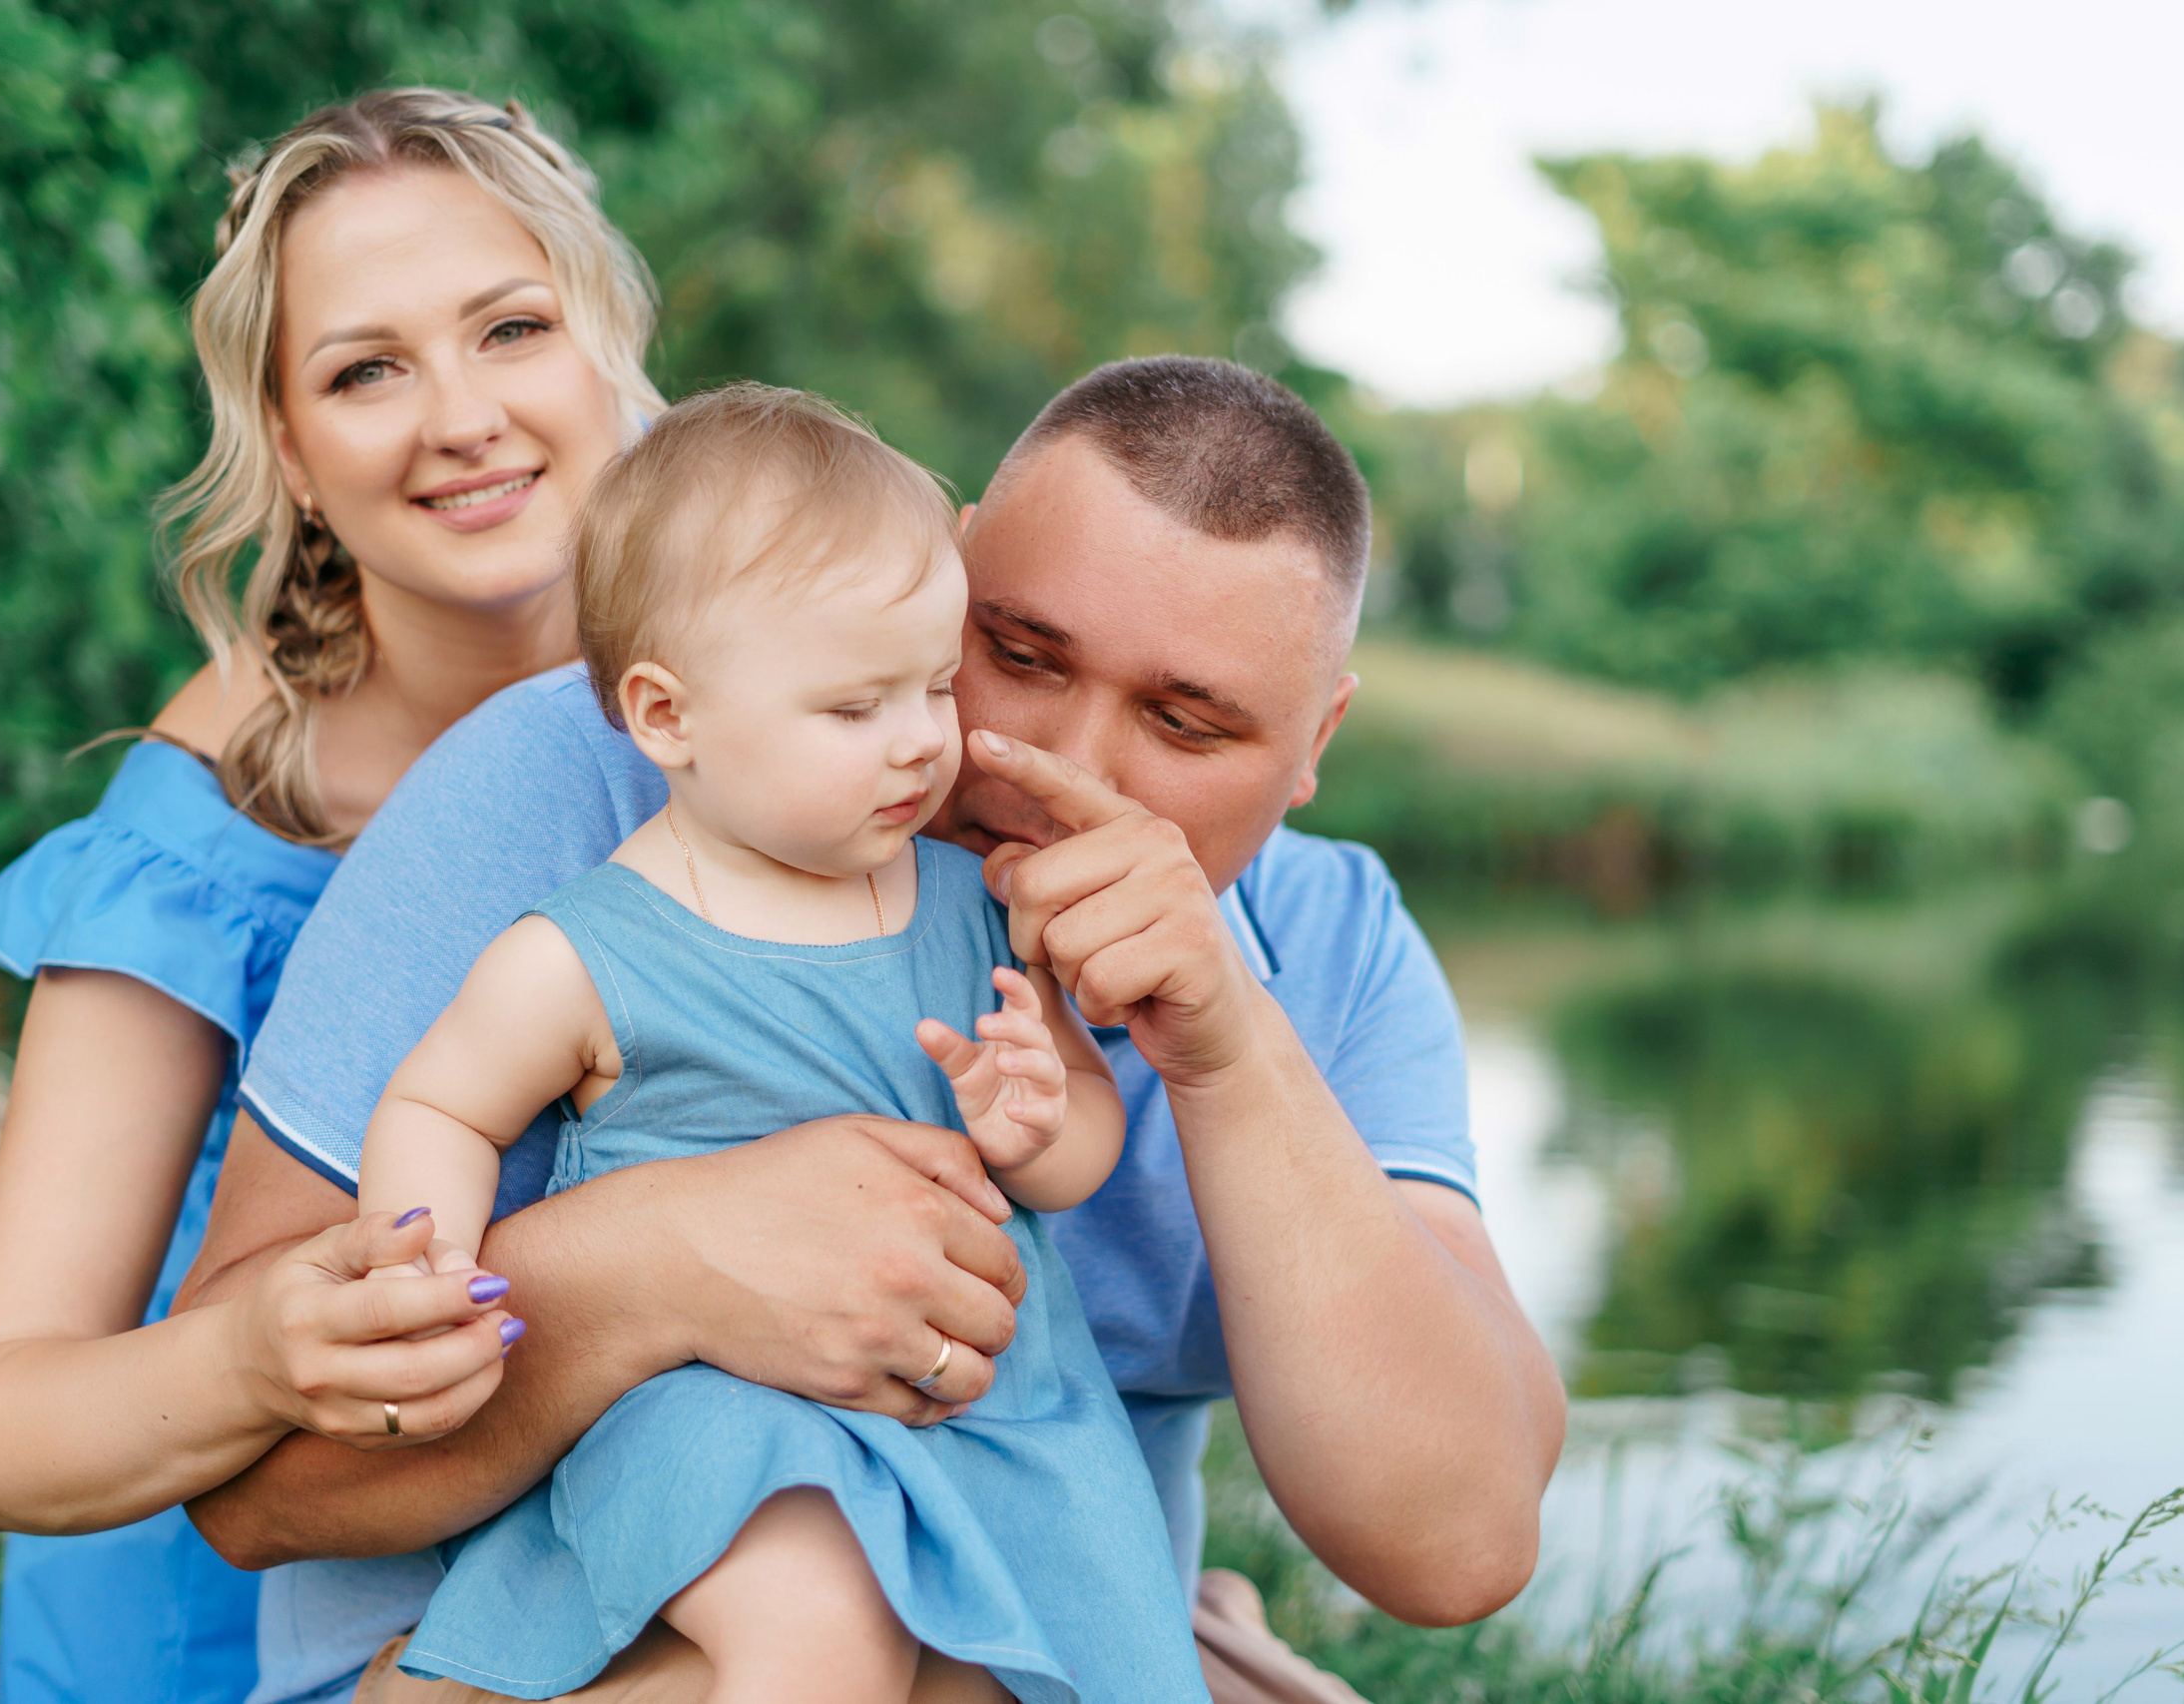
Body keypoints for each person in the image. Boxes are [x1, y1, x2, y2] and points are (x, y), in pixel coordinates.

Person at [180, 355, 1569, 1704]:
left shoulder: (1330, 946)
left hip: (1011, 1633)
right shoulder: (591, 781)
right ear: (944, 571)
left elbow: (1455, 1547)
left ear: (1316, 740)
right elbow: (243, 1479)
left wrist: (1228, 1056)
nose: (1060, 769)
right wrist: (651, 1265)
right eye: (1013, 655)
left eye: (1186, 725)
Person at [0, 87, 662, 1704]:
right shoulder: (217, 824)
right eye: (364, 371)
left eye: (513, 328)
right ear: (291, 456)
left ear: (611, 345)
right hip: (219, 1634)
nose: (461, 416)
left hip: (597, 1583)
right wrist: (252, 1356)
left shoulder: (786, 697)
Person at [360, 383, 1201, 1702]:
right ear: (667, 716)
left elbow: (1083, 1143)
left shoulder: (971, 905)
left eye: (935, 686)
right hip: (715, 1405)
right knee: (819, 1625)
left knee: (996, 1676)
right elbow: (443, 1107)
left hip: (978, 1411)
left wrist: (1034, 1124)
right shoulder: (586, 950)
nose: (920, 742)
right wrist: (425, 1259)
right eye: (855, 708)